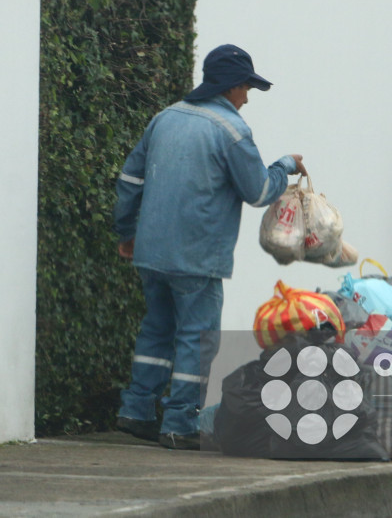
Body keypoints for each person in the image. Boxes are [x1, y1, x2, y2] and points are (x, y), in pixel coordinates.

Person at [112, 44, 306, 450]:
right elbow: (258, 192)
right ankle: (179, 423)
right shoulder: (232, 131)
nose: (248, 97)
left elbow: (130, 181)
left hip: (150, 251)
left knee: (157, 329)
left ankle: (136, 410)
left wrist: (126, 232)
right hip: (197, 256)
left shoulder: (164, 119)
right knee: (196, 338)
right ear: (232, 86)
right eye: (246, 88)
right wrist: (284, 166)